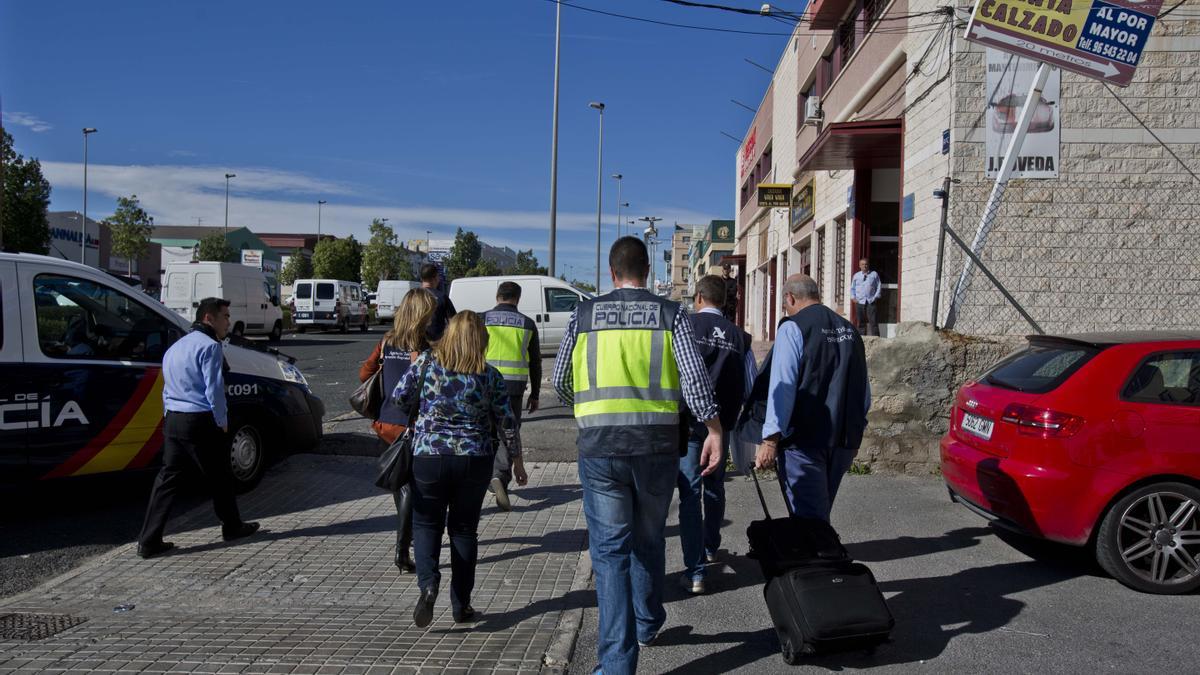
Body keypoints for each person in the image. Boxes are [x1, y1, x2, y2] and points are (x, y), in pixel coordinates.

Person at [553, 236, 722, 675]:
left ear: (612, 273)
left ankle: (616, 664)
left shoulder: (583, 314)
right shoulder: (671, 314)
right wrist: (714, 429)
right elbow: (694, 380)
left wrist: (588, 407)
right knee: (648, 538)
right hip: (657, 448)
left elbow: (560, 381)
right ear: (647, 271)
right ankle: (648, 622)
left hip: (600, 447)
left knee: (609, 554)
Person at [393, 311, 528, 628]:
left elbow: (399, 397)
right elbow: (507, 422)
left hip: (429, 456)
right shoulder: (489, 375)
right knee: (464, 530)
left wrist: (422, 415)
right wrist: (517, 461)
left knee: (426, 524)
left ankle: (428, 585)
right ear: (482, 341)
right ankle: (461, 605)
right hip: (474, 459)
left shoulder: (427, 362)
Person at [137, 297, 259, 559]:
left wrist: (170, 414)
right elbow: (214, 389)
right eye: (224, 316)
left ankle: (148, 541)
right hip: (199, 420)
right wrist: (222, 420)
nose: (228, 321)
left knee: (167, 480)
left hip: (174, 420)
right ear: (209, 318)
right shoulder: (210, 347)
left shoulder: (176, 347)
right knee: (220, 476)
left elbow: (167, 386)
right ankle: (232, 527)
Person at [755, 274, 870, 522]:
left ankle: (818, 558)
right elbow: (863, 387)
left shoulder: (793, 328)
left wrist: (771, 440)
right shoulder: (849, 330)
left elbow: (783, 386)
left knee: (809, 518)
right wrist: (857, 429)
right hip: (844, 437)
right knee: (820, 509)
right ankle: (820, 553)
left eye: (785, 303)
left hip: (805, 440)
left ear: (790, 297)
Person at [677, 275, 756, 594]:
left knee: (689, 493)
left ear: (698, 297)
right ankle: (710, 546)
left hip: (689, 425)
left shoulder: (684, 328)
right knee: (714, 487)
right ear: (724, 302)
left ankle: (696, 571)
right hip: (722, 427)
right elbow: (749, 385)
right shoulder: (741, 338)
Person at [358, 288, 437, 573]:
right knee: (409, 490)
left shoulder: (386, 341)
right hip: (409, 426)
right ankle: (403, 552)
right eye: (429, 312)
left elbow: (364, 374)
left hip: (384, 424)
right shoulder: (424, 347)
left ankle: (410, 536)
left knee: (400, 486)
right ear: (421, 315)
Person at [482, 281, 541, 511]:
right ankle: (499, 475)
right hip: (513, 388)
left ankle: (483, 475)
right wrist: (535, 393)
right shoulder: (527, 324)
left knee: (485, 432)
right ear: (517, 298)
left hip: (483, 384)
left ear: (497, 296)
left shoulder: (481, 318)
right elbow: (535, 362)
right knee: (509, 432)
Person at [420, 263, 457, 341]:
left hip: (414, 344)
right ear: (436, 278)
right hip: (436, 343)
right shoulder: (442, 297)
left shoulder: (411, 296)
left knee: (415, 353)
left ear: (421, 278)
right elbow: (453, 322)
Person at [851, 258, 881, 337]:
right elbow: (852, 288)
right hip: (859, 301)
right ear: (859, 266)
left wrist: (875, 297)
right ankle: (862, 339)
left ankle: (876, 339)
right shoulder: (856, 276)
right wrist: (853, 298)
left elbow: (878, 286)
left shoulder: (874, 274)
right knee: (861, 322)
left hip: (870, 301)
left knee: (873, 321)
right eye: (863, 264)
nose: (865, 266)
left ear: (868, 265)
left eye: (866, 264)